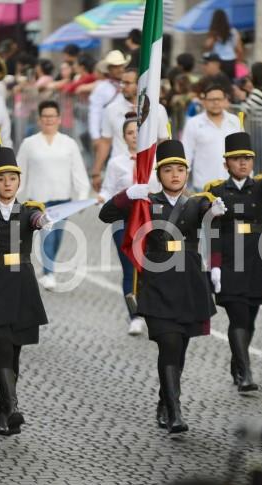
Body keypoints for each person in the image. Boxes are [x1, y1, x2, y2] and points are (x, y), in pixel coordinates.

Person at [99, 140, 227, 433]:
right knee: (168, 343)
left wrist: (216, 211)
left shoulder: (196, 201)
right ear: (160, 173)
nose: (174, 175)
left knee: (180, 346)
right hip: (157, 282)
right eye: (168, 170)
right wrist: (127, 195)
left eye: (180, 170)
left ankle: (165, 399)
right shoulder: (146, 202)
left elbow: (210, 213)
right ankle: (175, 410)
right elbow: (105, 215)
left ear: (186, 172)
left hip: (189, 282)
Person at [0, 145, 53, 436]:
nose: (7, 184)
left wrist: (43, 223)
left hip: (22, 289)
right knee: (2, 349)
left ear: (19, 181)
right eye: (1, 179)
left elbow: (35, 220)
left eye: (12, 179)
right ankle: (13, 407)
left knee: (14, 355)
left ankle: (1, 409)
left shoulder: (29, 210)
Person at [205, 127, 262, 392]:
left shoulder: (260, 186)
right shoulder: (216, 190)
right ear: (226, 162)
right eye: (237, 158)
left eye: (247, 158)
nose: (243, 163)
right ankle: (246, 372)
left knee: (249, 318)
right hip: (230, 258)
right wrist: (214, 265)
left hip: (257, 258)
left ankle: (237, 365)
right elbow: (213, 230)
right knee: (238, 317)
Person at [16, 100, 90, 290]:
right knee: (47, 234)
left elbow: (78, 171)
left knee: (57, 236)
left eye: (52, 116)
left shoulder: (69, 144)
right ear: (39, 119)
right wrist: (14, 197)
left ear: (59, 119)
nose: (49, 120)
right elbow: (19, 172)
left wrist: (82, 197)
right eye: (45, 116)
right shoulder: (29, 144)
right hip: (38, 199)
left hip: (62, 198)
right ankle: (49, 273)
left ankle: (48, 269)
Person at [98, 113, 160, 335]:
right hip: (124, 220)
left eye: (138, 132)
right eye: (130, 133)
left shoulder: (156, 161)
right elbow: (108, 190)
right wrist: (104, 199)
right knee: (129, 267)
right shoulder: (116, 163)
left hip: (151, 220)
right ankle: (134, 315)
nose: (135, 136)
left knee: (151, 266)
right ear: (124, 137)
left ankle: (153, 310)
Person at [97, 68, 170, 167]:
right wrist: (96, 170)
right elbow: (105, 141)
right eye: (122, 83)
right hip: (120, 168)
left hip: (148, 169)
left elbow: (164, 141)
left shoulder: (158, 110)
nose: (122, 86)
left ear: (140, 85)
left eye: (127, 83)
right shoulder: (111, 109)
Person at [181, 83, 240, 189]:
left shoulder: (234, 121)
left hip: (232, 185)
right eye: (211, 100)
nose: (216, 102)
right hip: (203, 187)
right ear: (204, 102)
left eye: (219, 99)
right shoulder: (194, 123)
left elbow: (242, 152)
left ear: (225, 100)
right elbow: (186, 155)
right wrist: (182, 185)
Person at [88, 50, 129, 185]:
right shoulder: (102, 88)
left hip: (128, 131)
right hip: (107, 133)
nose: (119, 69)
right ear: (109, 69)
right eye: (116, 66)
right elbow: (95, 112)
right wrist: (96, 136)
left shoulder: (131, 85)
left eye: (121, 66)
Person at [203, 9, 242, 80]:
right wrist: (238, 62)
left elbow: (207, 46)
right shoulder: (233, 31)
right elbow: (239, 50)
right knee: (230, 84)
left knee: (217, 84)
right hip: (231, 61)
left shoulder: (213, 33)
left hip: (217, 61)